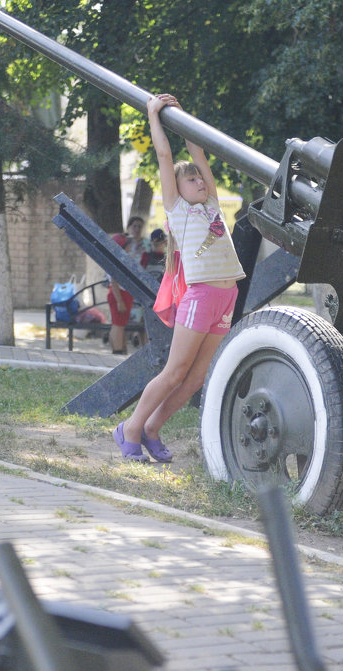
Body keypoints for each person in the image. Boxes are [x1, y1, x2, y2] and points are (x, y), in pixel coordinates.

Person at [112, 93, 245, 462]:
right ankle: (131, 428)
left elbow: (198, 154)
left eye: (200, 178)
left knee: (195, 378)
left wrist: (185, 121)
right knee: (175, 372)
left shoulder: (213, 204)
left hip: (226, 297)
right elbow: (165, 157)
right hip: (200, 297)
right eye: (191, 179)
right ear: (178, 187)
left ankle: (153, 428)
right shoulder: (178, 211)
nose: (199, 182)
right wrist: (156, 115)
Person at [107, 216, 149, 354]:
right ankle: (117, 351)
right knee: (118, 325)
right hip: (119, 294)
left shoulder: (123, 258)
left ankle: (120, 349)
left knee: (120, 324)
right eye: (129, 244)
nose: (131, 246)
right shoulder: (117, 261)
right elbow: (113, 280)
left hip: (124, 293)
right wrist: (119, 301)